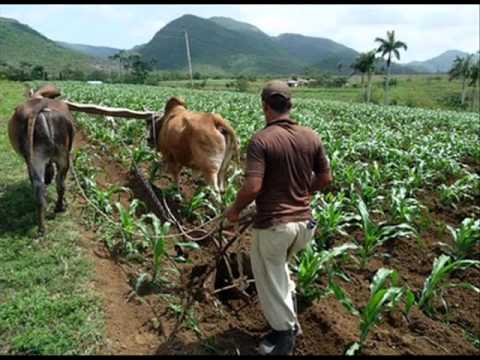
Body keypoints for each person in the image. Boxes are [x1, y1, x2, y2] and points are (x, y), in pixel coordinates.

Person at [225, 80, 332, 355]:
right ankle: (289, 310)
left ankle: (284, 336)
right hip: (304, 226)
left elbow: (253, 187)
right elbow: (325, 178)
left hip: (275, 226)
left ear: (264, 106)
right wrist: (300, 193)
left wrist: (235, 210)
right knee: (280, 268)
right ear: (290, 105)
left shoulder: (262, 140)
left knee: (267, 276)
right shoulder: (312, 136)